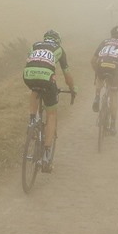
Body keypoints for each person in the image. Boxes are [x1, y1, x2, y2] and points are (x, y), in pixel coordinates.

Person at [23, 29, 76, 171]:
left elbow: (31, 61)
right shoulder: (59, 49)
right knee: (52, 114)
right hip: (47, 79)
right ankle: (46, 155)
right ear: (57, 41)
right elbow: (67, 74)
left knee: (35, 88)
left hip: (28, 75)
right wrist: (72, 89)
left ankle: (32, 120)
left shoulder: (35, 45)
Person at [91, 26, 118, 135]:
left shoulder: (105, 41)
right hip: (114, 70)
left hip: (102, 66)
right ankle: (113, 125)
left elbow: (93, 60)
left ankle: (97, 96)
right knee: (114, 95)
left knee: (99, 73)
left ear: (111, 35)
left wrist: (97, 72)